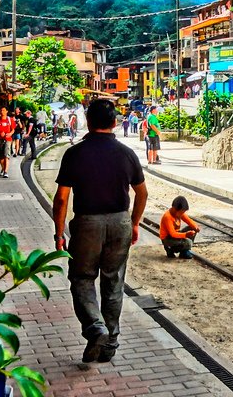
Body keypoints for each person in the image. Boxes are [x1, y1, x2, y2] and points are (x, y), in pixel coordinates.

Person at [53, 99, 147, 364]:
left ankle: (95, 328)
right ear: (115, 122)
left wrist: (59, 233)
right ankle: (110, 344)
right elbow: (142, 193)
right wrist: (135, 222)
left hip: (87, 224)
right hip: (120, 223)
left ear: (89, 122)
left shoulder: (75, 153)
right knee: (113, 282)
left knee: (82, 279)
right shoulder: (127, 153)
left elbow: (61, 198)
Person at [0, 106, 16, 178]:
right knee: (1, 155)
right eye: (1, 110)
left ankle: (6, 171)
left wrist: (10, 134)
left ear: (6, 111)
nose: (2, 112)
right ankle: (3, 168)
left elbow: (13, 129)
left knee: (6, 155)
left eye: (4, 110)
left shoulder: (10, 119)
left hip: (8, 139)